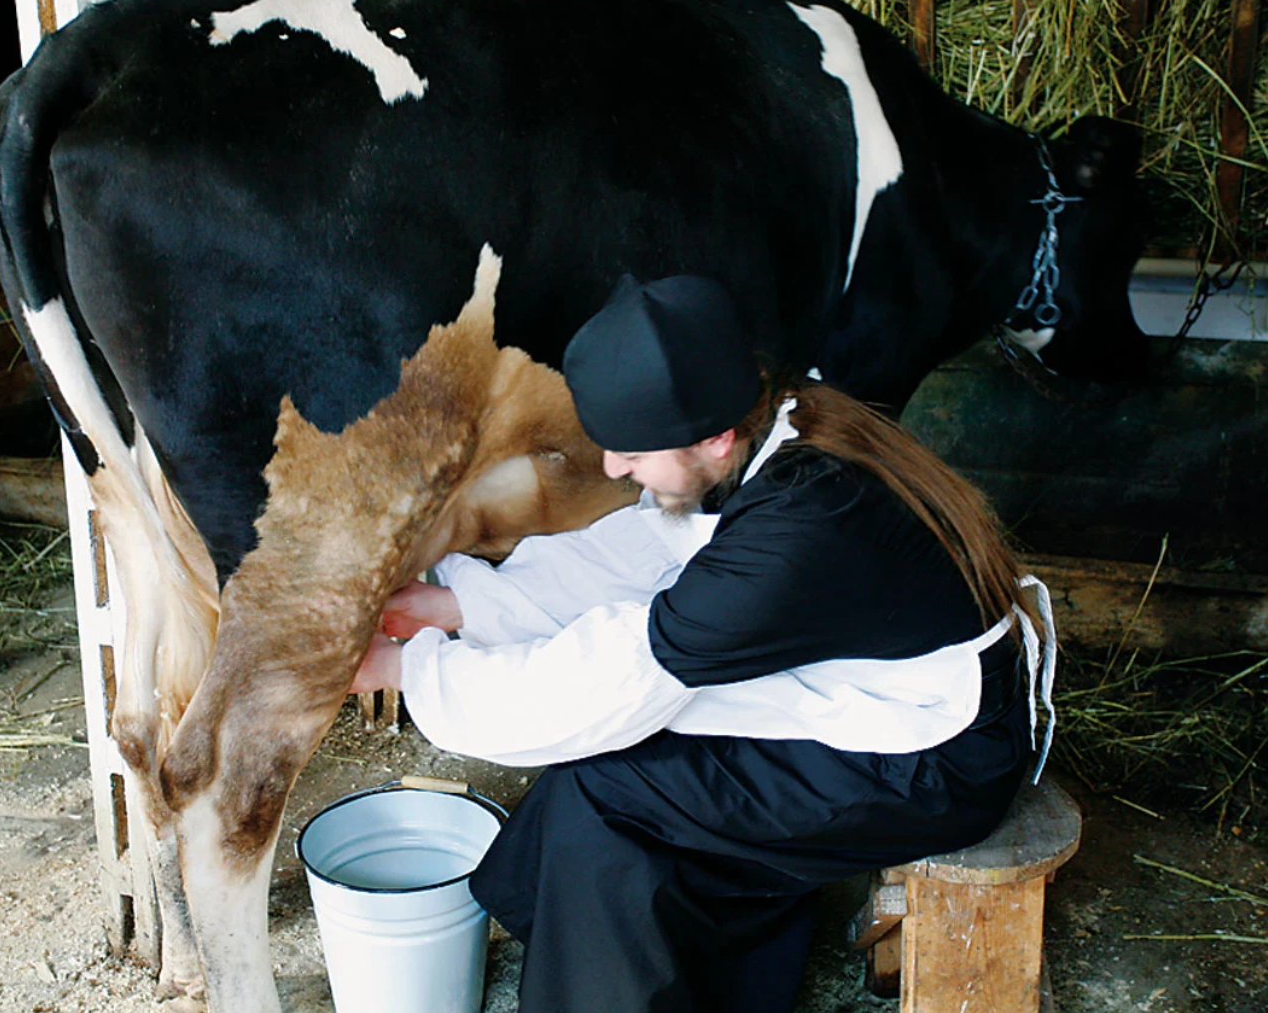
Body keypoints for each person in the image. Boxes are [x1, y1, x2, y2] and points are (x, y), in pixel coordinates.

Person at [351, 275, 1056, 1013]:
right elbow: (644, 550)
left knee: (609, 780)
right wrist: (456, 605)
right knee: (620, 766)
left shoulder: (800, 527)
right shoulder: (786, 416)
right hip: (883, 692)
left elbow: (610, 676)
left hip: (936, 764)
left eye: (629, 451)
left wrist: (411, 667)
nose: (615, 469)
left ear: (714, 436)